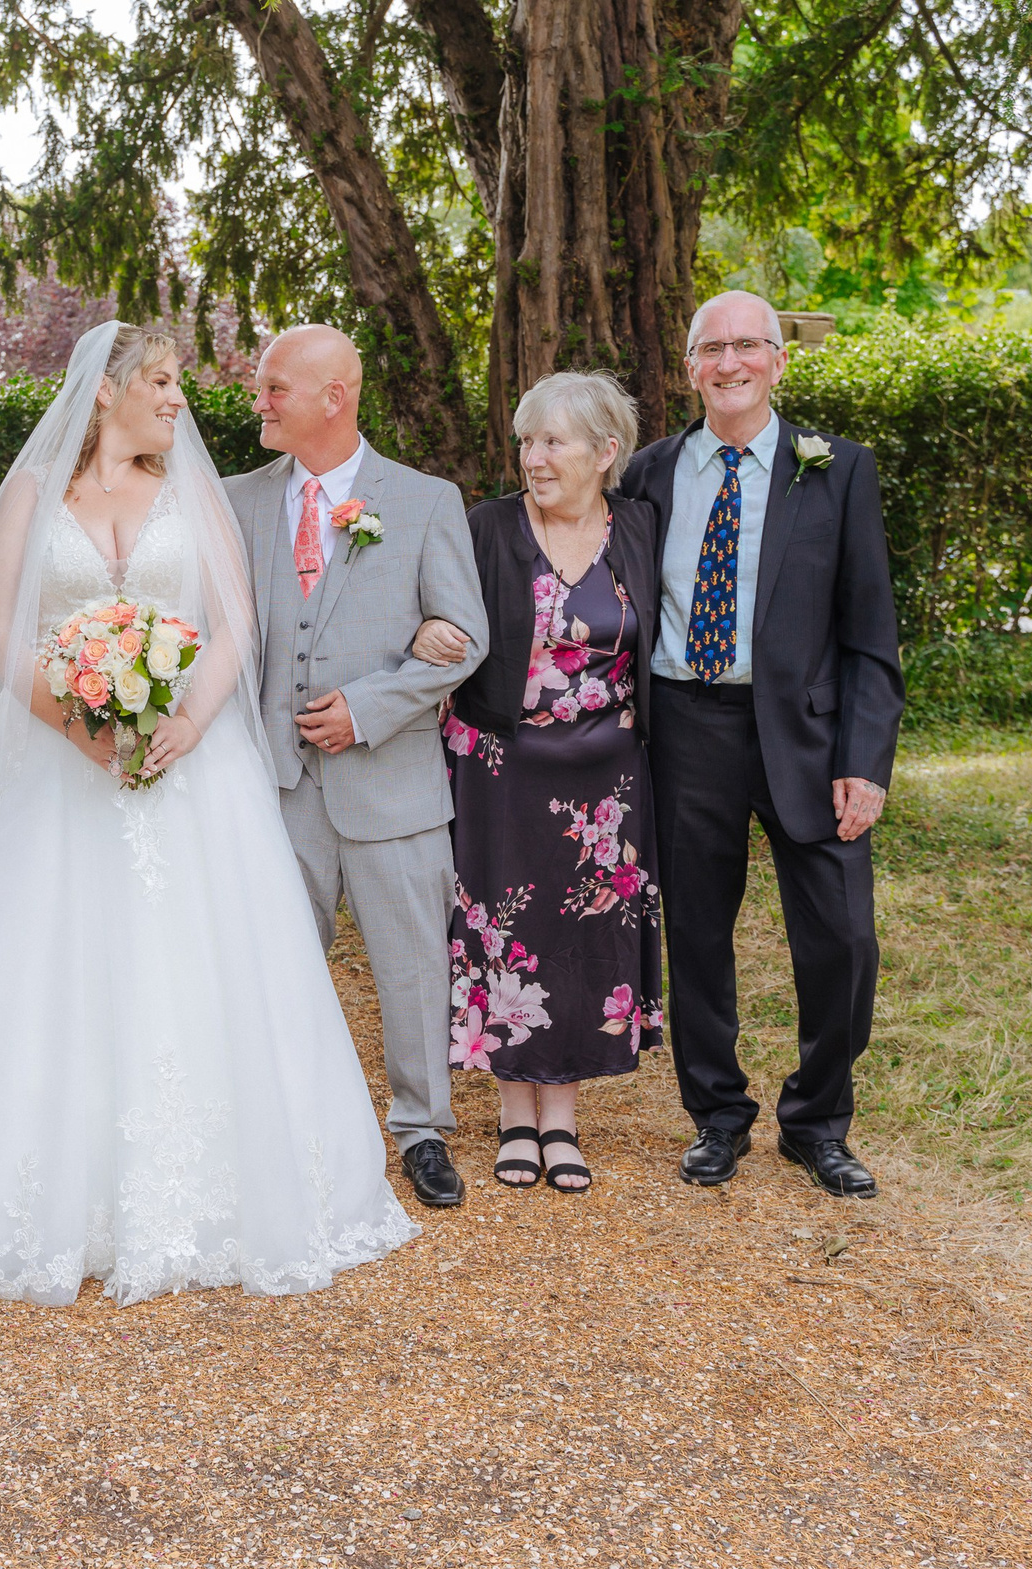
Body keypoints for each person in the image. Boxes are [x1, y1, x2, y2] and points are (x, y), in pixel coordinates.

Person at [0, 323, 417, 1305]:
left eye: (177, 383)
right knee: (48, 964)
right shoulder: (31, 493)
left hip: (190, 763)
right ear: (102, 391)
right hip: (58, 766)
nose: (176, 400)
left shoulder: (193, 492)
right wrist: (68, 721)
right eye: (158, 380)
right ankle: (35, 1196)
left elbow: (235, 619)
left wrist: (187, 719)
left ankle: (217, 1198)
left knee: (198, 960)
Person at [621, 290, 904, 1198]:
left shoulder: (838, 470)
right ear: (691, 364)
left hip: (811, 738)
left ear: (780, 361)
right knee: (697, 934)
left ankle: (818, 1121)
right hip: (684, 724)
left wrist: (865, 762)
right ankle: (717, 1116)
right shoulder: (648, 474)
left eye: (749, 346)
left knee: (843, 941)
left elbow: (870, 634)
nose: (730, 362)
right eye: (713, 348)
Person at [221, 325, 491, 1209]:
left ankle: (422, 1132)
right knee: (276, 965)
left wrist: (369, 708)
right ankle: (290, 1128)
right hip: (274, 787)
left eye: (273, 389)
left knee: (412, 966)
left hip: (393, 786)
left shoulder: (422, 500)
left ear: (334, 396)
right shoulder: (236, 501)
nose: (257, 402)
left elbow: (464, 638)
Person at [440, 371, 664, 1193]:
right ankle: (512, 1115)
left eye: (554, 442)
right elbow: (447, 616)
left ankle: (562, 1118)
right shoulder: (488, 526)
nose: (534, 457)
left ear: (606, 453)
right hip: (502, 766)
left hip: (609, 778)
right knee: (502, 930)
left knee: (582, 939)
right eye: (528, 440)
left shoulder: (638, 525)